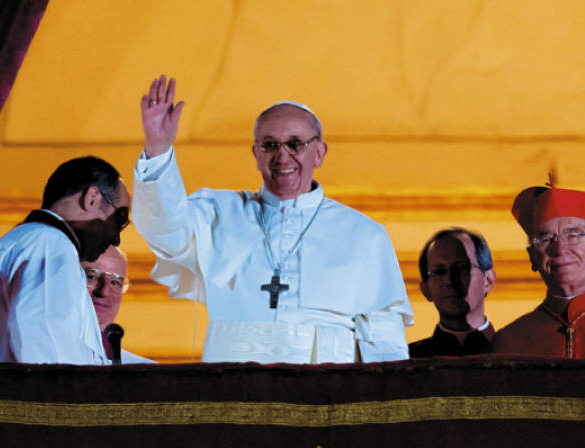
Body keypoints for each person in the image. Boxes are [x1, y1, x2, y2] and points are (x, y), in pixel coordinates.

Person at [132, 75, 413, 364]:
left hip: (328, 392)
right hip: (233, 386)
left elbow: (383, 339)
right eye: (269, 145)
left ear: (319, 153)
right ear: (255, 154)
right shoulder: (218, 213)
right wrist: (158, 148)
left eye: (295, 144)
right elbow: (164, 227)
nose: (282, 156)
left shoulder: (365, 235)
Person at [0, 156, 130, 363]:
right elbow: (45, 347)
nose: (116, 238)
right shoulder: (50, 243)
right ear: (91, 198)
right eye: (120, 219)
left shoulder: (23, 240)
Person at [490, 183, 585, 357]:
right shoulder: (509, 341)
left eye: (573, 235)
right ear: (532, 257)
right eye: (546, 238)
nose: (560, 249)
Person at [409, 227, 496, 357]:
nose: (450, 281)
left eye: (462, 268)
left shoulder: (520, 354)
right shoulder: (406, 361)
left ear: (488, 280)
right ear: (425, 290)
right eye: (438, 272)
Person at [81, 245, 155, 363]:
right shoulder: (47, 351)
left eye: (115, 282)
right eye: (92, 277)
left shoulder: (144, 370)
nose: (104, 291)